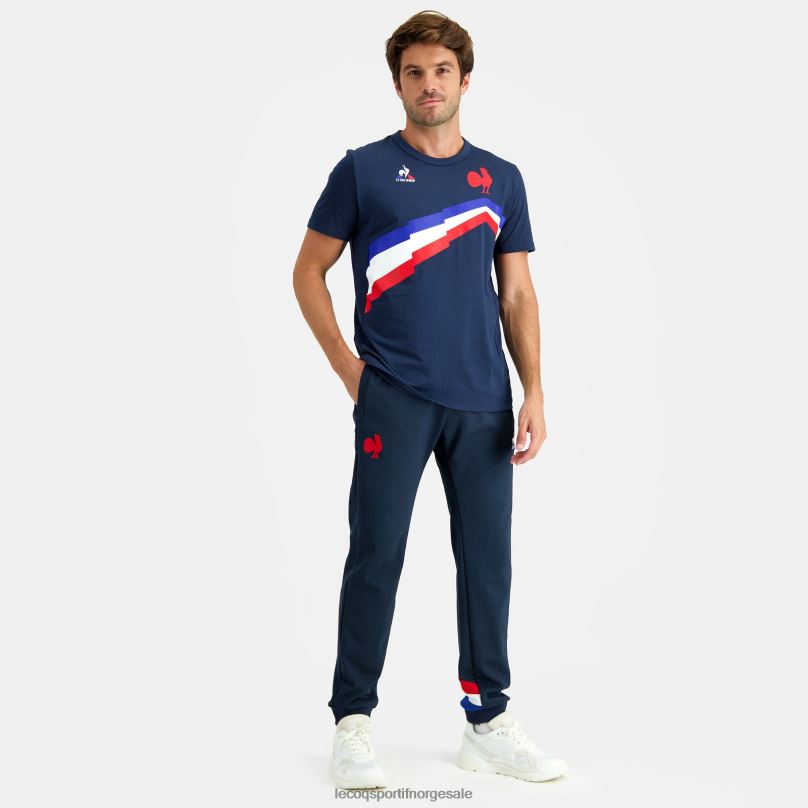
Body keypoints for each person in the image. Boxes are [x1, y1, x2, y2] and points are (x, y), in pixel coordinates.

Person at [293, 10, 567, 789]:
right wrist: (349, 368)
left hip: (484, 401)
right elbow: (307, 270)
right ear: (398, 84)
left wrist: (534, 390)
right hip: (395, 395)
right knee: (376, 555)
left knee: (487, 562)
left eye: (441, 71)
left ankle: (487, 721)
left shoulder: (501, 179)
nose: (429, 84)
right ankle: (353, 725)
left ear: (464, 81)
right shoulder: (363, 171)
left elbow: (517, 294)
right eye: (414, 72)